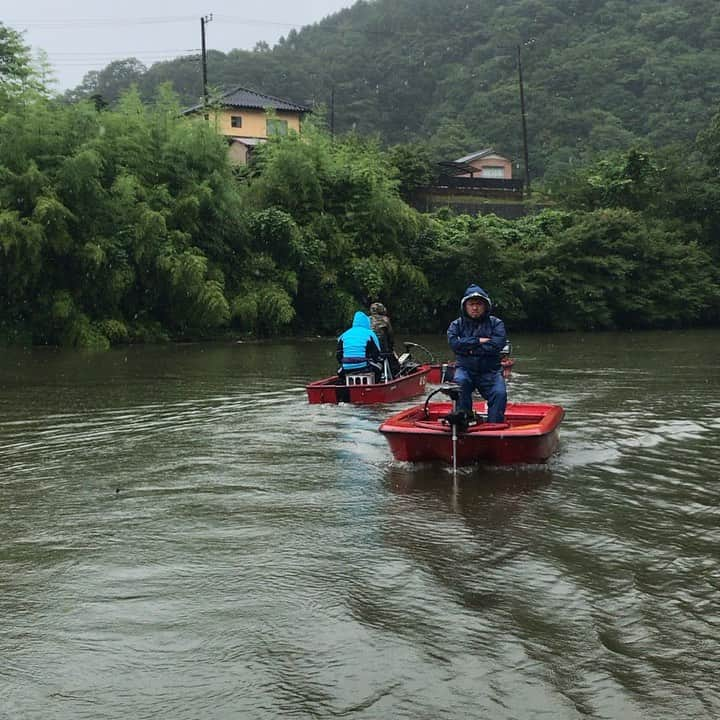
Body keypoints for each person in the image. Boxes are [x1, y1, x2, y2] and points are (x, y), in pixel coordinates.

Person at [447, 284, 507, 423]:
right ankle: (464, 421)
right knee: (460, 383)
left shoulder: (496, 324)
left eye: (479, 304)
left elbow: (496, 345)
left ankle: (494, 427)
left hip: (491, 371)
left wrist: (468, 348)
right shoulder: (456, 325)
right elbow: (455, 345)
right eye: (471, 304)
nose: (475, 308)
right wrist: (479, 341)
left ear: (485, 306)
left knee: (499, 393)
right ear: (465, 306)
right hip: (465, 369)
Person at [336, 311, 382, 382]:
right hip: (363, 366)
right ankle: (375, 386)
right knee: (379, 368)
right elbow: (376, 353)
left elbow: (339, 355)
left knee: (339, 373)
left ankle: (345, 385)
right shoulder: (370, 333)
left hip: (346, 368)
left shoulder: (344, 335)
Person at [369, 301, 400, 378]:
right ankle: (395, 377)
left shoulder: (367, 320)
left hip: (369, 351)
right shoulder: (385, 319)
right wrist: (391, 348)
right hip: (384, 351)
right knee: (394, 364)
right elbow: (390, 336)